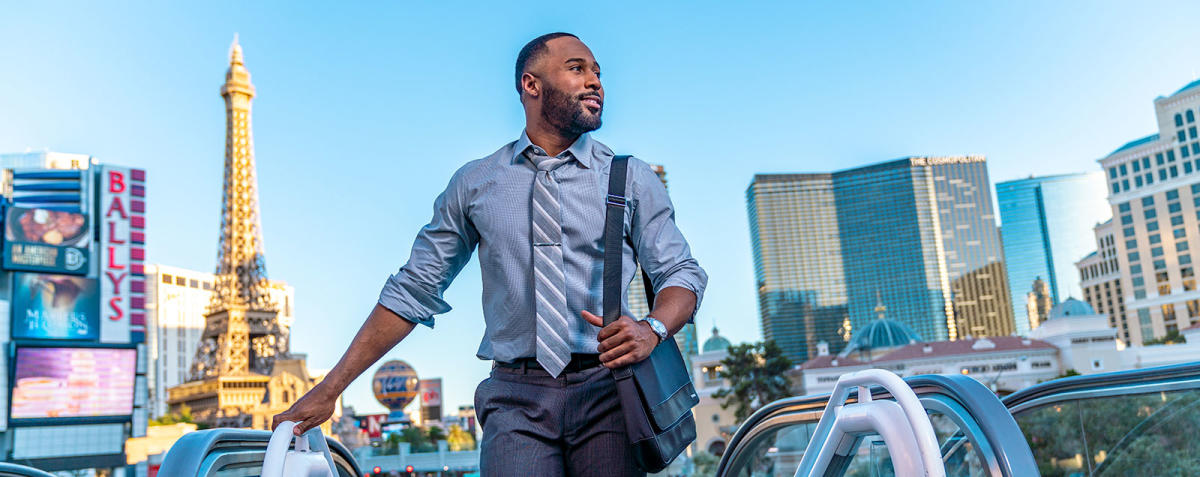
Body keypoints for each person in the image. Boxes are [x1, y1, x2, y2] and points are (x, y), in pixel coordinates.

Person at [273, 32, 707, 476]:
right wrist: (330, 388)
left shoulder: (629, 177)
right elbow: (413, 289)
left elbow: (682, 273)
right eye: (577, 69)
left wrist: (652, 328)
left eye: (598, 72)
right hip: (516, 398)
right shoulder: (476, 182)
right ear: (530, 84)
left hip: (610, 389)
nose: (594, 81)